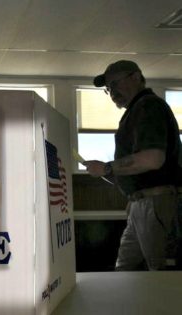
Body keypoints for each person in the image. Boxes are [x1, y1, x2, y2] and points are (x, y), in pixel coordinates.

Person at [83, 60, 181, 271]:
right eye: (108, 89)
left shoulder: (148, 106)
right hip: (141, 204)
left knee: (163, 276)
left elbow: (153, 159)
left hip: (156, 203)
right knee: (124, 270)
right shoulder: (136, 110)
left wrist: (107, 168)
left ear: (136, 77)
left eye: (115, 84)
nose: (112, 92)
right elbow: (141, 168)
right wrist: (130, 191)